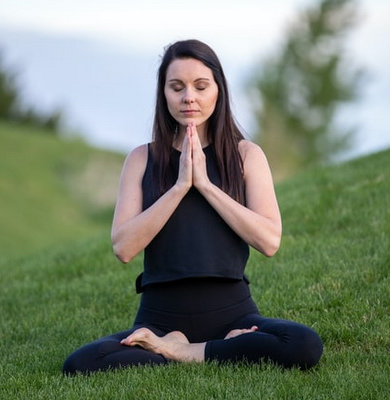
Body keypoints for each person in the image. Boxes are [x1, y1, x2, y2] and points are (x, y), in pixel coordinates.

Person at [62, 39, 323, 375]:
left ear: (218, 90)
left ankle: (184, 351)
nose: (189, 97)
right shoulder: (141, 159)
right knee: (81, 363)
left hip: (234, 314)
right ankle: (201, 347)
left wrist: (206, 185)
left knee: (303, 344)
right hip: (159, 318)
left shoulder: (246, 156)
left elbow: (269, 241)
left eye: (201, 86)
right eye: (177, 87)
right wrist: (181, 185)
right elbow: (123, 247)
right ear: (164, 93)